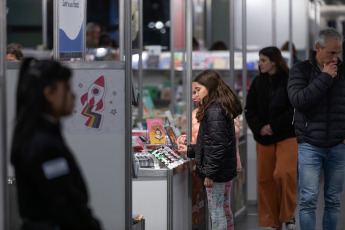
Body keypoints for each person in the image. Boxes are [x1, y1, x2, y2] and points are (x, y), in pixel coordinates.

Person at [11, 58, 103, 230]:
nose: (73, 95)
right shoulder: (45, 146)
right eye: (67, 88)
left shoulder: (40, 134)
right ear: (49, 93)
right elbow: (65, 203)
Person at [288, 27, 345, 230]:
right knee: (309, 200)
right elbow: (298, 100)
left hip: (338, 145)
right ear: (317, 48)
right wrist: (325, 77)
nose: (335, 58)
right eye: (331, 52)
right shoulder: (300, 69)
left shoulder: (343, 71)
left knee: (333, 200)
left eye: (338, 52)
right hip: (310, 145)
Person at [178, 69, 242, 230]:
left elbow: (217, 147)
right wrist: (190, 151)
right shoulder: (217, 107)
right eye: (193, 91)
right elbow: (211, 143)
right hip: (220, 170)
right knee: (220, 209)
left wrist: (210, 173)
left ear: (210, 86)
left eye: (198, 90)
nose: (195, 95)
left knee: (216, 211)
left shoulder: (214, 110)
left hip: (216, 172)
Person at [245, 46, 298, 229]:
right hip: (264, 138)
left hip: (287, 135)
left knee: (284, 174)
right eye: (259, 60)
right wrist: (260, 127)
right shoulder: (258, 82)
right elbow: (249, 109)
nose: (259, 64)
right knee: (265, 179)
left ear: (274, 61)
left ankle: (288, 214)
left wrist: (273, 126)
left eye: (262, 60)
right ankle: (272, 220)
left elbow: (293, 109)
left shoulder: (290, 80)